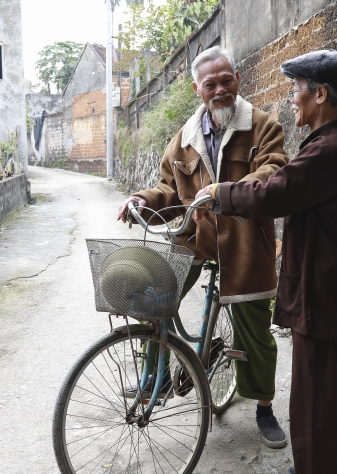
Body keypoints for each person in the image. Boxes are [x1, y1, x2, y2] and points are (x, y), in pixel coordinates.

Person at [194, 49, 337, 474]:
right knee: (332, 388)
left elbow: (275, 191)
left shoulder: (327, 151)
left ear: (319, 94)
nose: (291, 98)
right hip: (328, 289)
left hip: (319, 292)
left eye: (297, 89)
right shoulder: (333, 145)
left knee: (313, 397)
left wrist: (219, 193)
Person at [117, 46, 290, 448]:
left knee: (254, 332)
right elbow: (167, 188)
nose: (220, 89)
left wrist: (223, 192)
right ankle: (157, 379)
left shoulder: (263, 127)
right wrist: (142, 200)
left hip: (246, 243)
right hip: (195, 239)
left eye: (226, 80)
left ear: (237, 79)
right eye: (210, 84)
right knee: (154, 298)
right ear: (198, 89)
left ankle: (264, 407)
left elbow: (273, 172)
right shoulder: (185, 139)